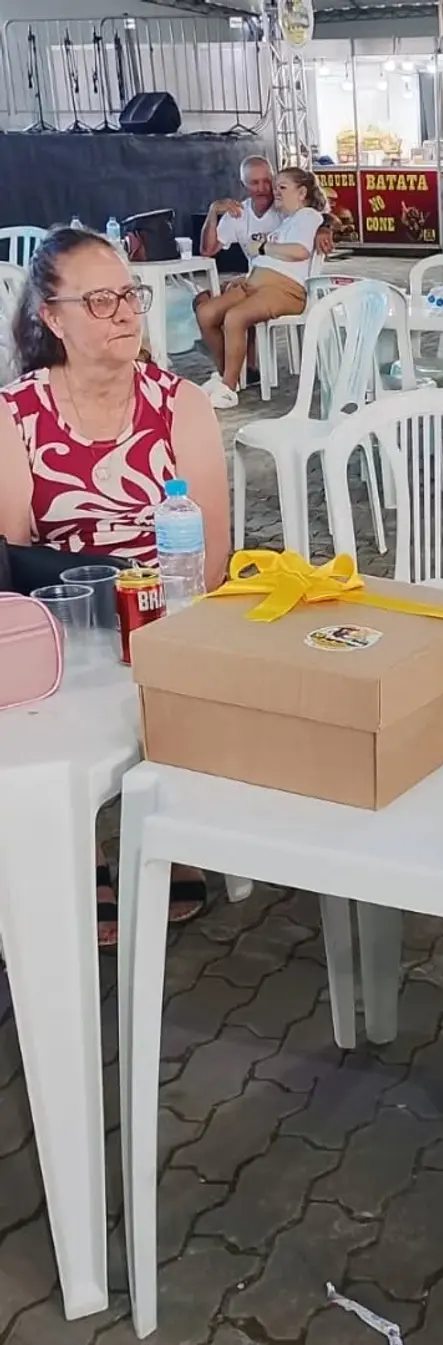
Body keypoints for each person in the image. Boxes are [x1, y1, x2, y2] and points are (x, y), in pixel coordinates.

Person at [0, 225, 230, 946]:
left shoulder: (177, 403)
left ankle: (173, 825)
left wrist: (156, 611)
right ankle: (87, 843)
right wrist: (83, 614)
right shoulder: (16, 414)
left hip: (170, 606)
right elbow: (11, 554)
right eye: (100, 301)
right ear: (52, 316)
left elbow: (212, 555)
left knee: (185, 658)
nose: (127, 312)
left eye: (128, 294)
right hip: (63, 616)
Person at [196, 166, 326, 409]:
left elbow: (300, 251)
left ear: (301, 193)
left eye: (281, 187)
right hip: (255, 282)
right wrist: (249, 272)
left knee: (235, 317)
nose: (274, 191)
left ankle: (229, 387)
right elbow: (209, 250)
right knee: (206, 312)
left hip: (285, 289)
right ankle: (229, 374)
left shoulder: (307, 216)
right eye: (275, 187)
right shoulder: (286, 221)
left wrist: (264, 248)